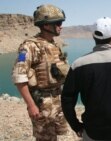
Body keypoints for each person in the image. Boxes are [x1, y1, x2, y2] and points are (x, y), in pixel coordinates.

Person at [12, 4, 69, 141]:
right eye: (58, 23)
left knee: (54, 136)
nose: (61, 26)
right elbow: (19, 77)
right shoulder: (30, 46)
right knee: (44, 138)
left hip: (57, 99)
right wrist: (31, 105)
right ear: (46, 25)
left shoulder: (53, 45)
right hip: (43, 102)